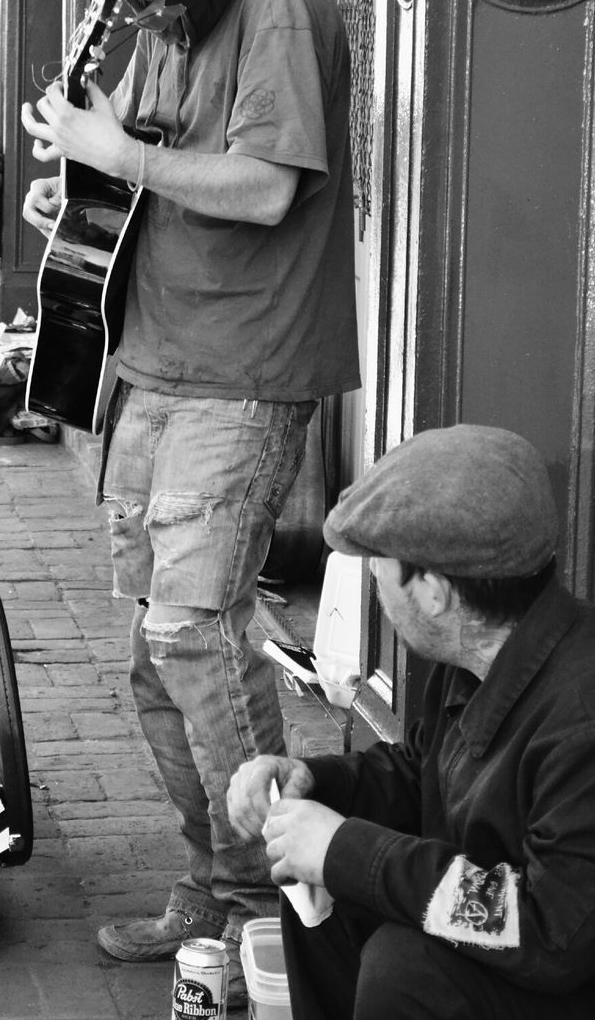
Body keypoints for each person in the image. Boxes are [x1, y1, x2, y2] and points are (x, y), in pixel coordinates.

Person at [20, 0, 359, 1005]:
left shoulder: (280, 1)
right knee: (157, 658)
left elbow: (267, 187)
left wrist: (124, 159)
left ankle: (285, 889)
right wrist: (78, 190)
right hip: (153, 359)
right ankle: (219, 880)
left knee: (191, 632)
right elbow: (149, 179)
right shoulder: (165, 14)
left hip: (246, 366)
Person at [227, 423, 595, 1019]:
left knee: (405, 967)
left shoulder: (580, 722)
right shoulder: (479, 654)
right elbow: (420, 770)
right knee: (311, 866)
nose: (372, 581)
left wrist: (351, 851)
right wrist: (310, 781)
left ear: (432, 589)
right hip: (516, 947)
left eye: (378, 565)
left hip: (560, 975)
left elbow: (549, 931)